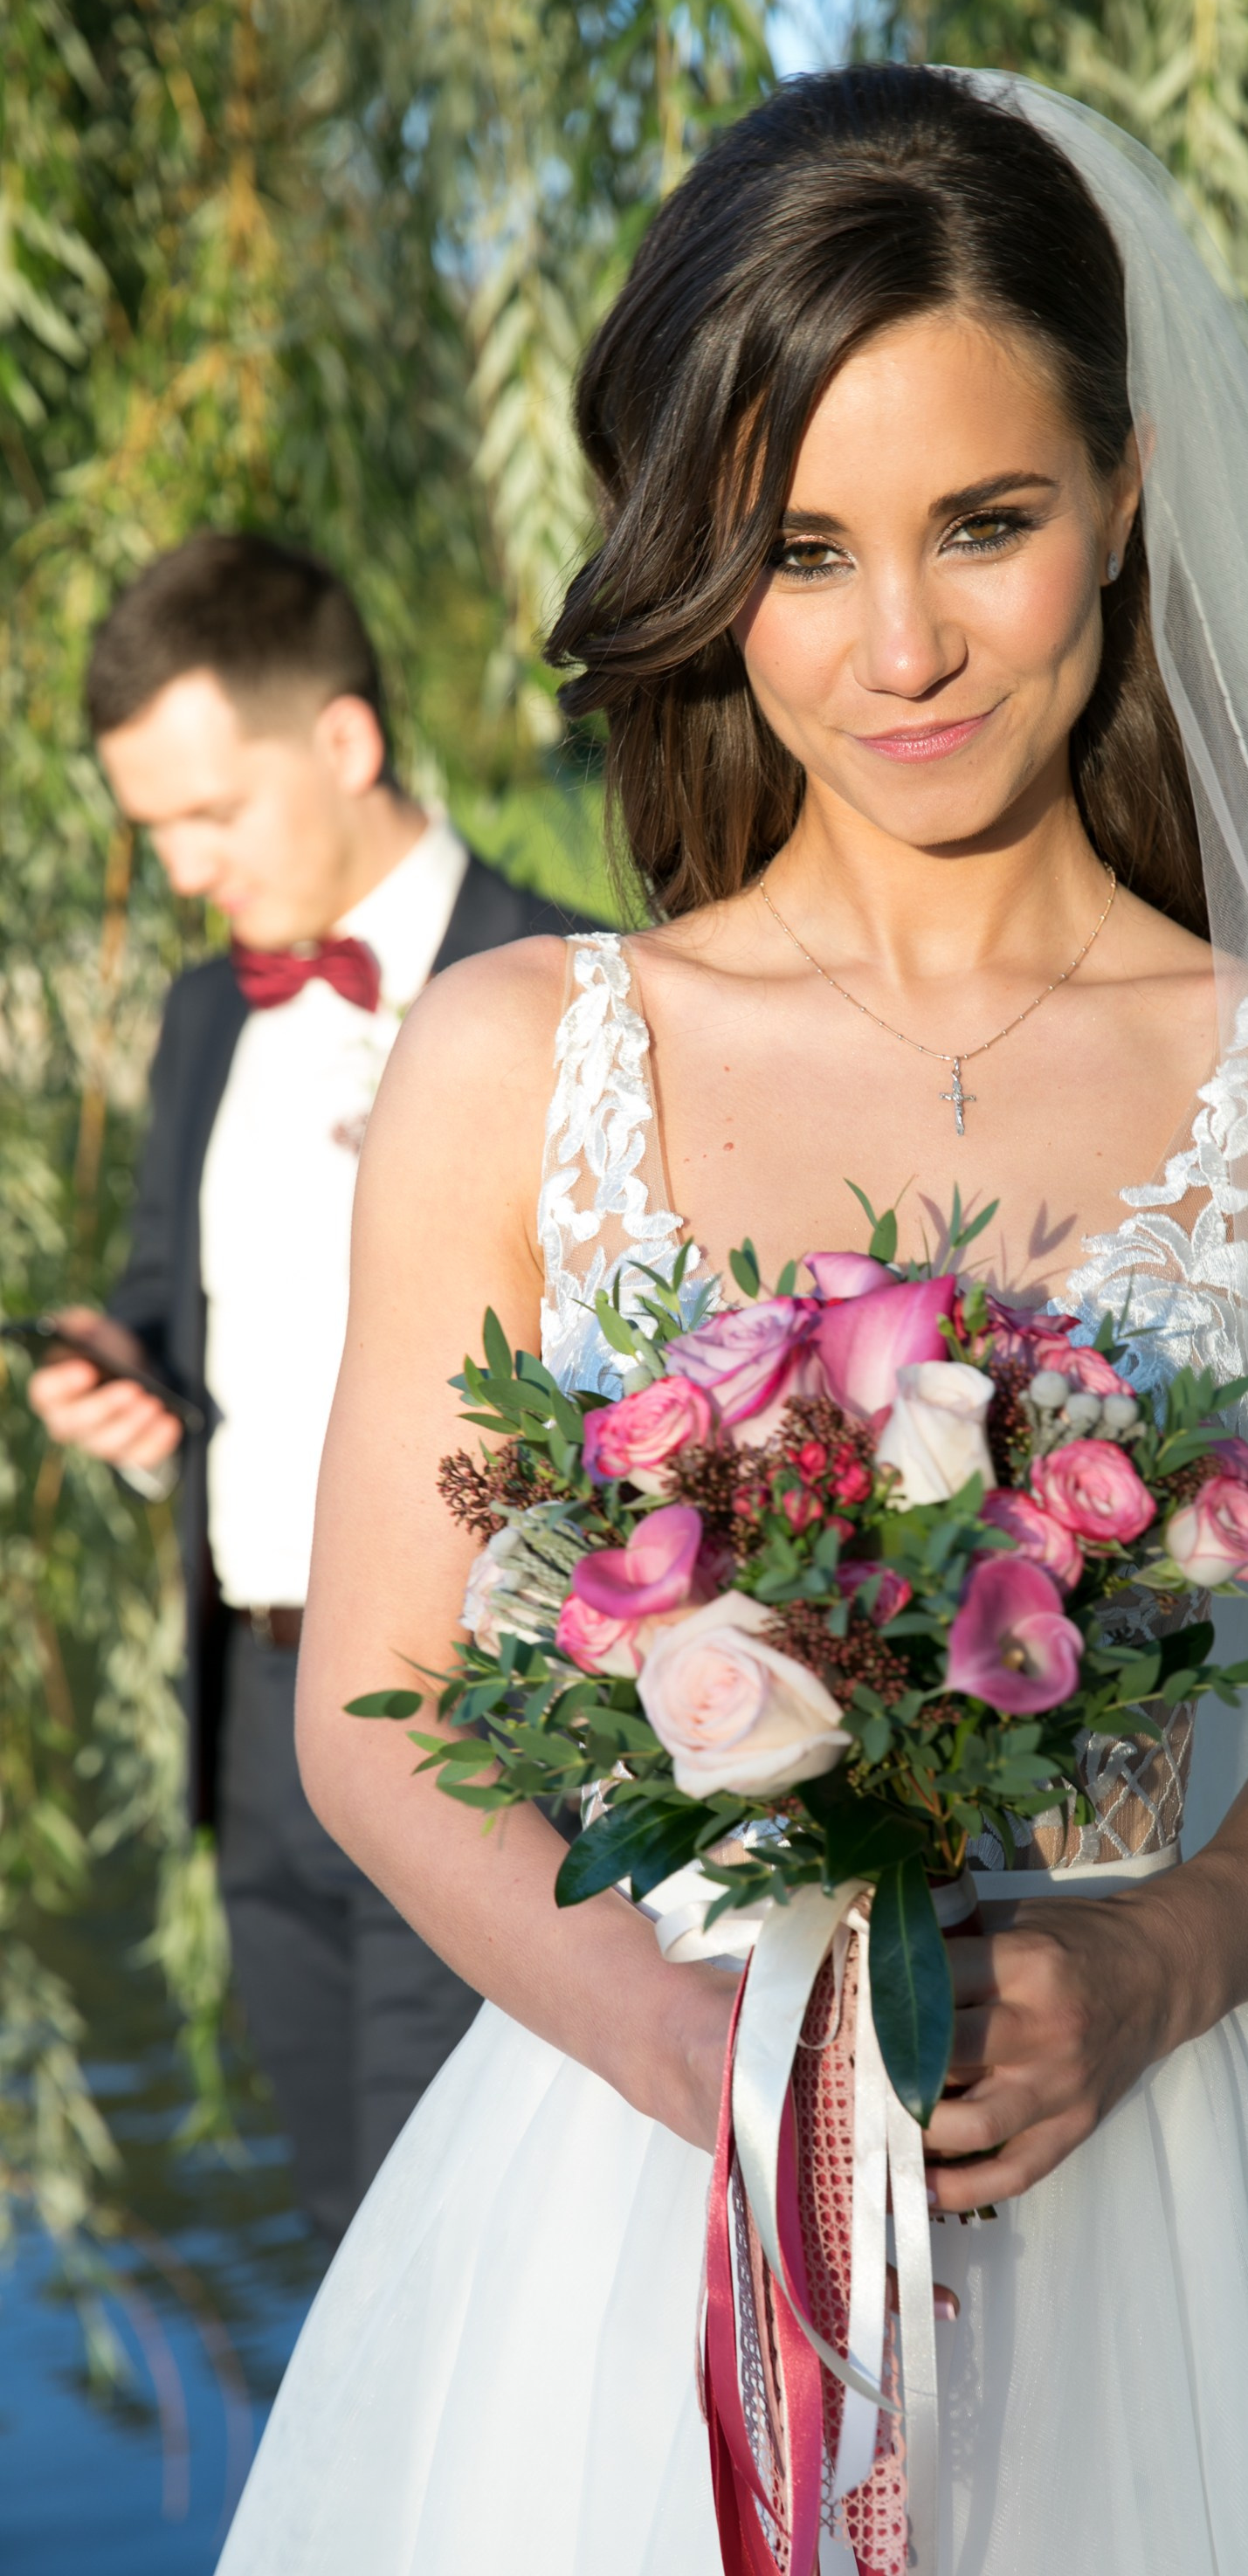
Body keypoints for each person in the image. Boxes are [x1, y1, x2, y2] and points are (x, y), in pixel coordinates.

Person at [215, 70, 1248, 2576]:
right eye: (798, 550)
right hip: (631, 2189)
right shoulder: (516, 1057)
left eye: (987, 525)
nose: (899, 644)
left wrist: (1151, 1969)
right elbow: (373, 1705)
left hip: (1155, 2192)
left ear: (1125, 493)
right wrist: (671, 2051)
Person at [27, 533, 587, 2242]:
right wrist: (122, 1386)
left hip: (490, 1734)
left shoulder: (588, 992)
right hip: (261, 1730)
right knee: (349, 2251)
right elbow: (165, 1315)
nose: (186, 870)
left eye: (212, 816)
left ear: (342, 743)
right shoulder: (207, 1017)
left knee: (477, 2248)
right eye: (155, 835)